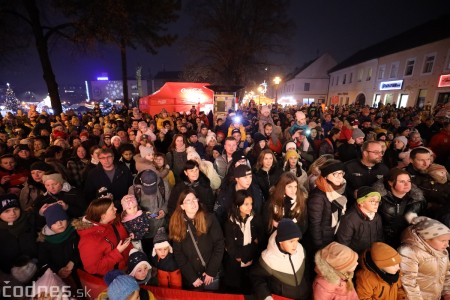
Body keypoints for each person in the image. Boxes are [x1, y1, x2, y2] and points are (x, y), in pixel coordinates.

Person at [169, 188, 224, 290]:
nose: (193, 203)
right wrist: (192, 277)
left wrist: (211, 271)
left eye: (194, 199)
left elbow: (219, 244)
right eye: (188, 201)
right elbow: (178, 253)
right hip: (192, 277)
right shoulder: (177, 224)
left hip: (210, 274)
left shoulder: (209, 218)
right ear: (182, 206)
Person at [251, 218, 310, 300]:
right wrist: (266, 296)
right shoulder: (268, 258)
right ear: (280, 241)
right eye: (291, 241)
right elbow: (256, 278)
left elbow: (306, 272)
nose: (295, 245)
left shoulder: (301, 249)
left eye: (297, 240)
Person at [72, 197, 133, 276]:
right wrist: (117, 252)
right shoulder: (89, 240)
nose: (116, 209)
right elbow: (93, 268)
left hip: (129, 263)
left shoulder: (112, 220)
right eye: (112, 208)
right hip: (116, 275)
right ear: (103, 216)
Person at [398, 217, 450, 299]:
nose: (447, 245)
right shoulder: (409, 252)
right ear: (426, 239)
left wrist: (447, 293)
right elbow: (408, 282)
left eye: (448, 241)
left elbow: (446, 275)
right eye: (443, 241)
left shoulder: (443, 252)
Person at [373, 168, 426, 247]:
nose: (407, 185)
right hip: (383, 242)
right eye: (402, 181)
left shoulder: (418, 200)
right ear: (390, 183)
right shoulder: (378, 199)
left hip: (408, 242)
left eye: (409, 181)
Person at [223, 190, 264, 293]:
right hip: (234, 269)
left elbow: (261, 242)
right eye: (246, 204)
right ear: (237, 205)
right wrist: (252, 246)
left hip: (252, 266)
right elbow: (232, 249)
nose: (250, 207)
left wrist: (244, 254)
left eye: (251, 204)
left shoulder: (256, 219)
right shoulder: (229, 223)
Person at [308, 159, 348, 252]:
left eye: (341, 173)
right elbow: (315, 224)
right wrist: (319, 246)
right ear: (326, 176)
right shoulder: (318, 196)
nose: (339, 177)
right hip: (323, 240)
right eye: (335, 174)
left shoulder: (340, 190)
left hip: (334, 235)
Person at [37, 203, 80, 282]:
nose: (59, 224)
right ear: (49, 225)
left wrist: (73, 262)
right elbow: (43, 262)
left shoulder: (74, 232)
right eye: (54, 222)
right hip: (56, 278)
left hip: (77, 272)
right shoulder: (44, 240)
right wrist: (57, 270)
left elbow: (81, 250)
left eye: (62, 219)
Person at [0, 194, 38, 282]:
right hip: (10, 277)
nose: (12, 213)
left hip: (37, 270)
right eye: (7, 211)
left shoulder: (30, 221)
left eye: (15, 209)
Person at [335, 186, 384, 254]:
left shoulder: (377, 217)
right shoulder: (349, 219)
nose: (376, 204)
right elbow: (343, 245)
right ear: (361, 202)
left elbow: (380, 239)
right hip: (355, 258)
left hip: (372, 255)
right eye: (372, 201)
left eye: (378, 201)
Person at [344, 141, 389, 205]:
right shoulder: (349, 166)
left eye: (381, 152)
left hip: (375, 207)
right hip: (352, 206)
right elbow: (340, 186)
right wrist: (352, 193)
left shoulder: (384, 169)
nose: (381, 155)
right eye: (376, 152)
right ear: (365, 153)